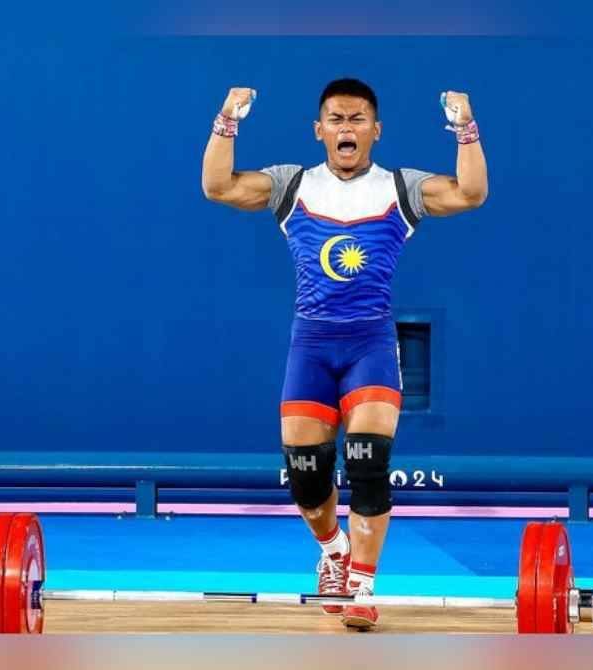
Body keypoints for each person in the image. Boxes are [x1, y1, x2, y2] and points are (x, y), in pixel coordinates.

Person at [201, 78, 488, 630]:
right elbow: (218, 186)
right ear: (319, 130)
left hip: (370, 344)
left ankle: (362, 585)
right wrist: (227, 118)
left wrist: (465, 128)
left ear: (376, 130)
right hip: (311, 346)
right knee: (307, 478)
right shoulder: (292, 185)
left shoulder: (401, 188)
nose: (346, 128)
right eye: (336, 118)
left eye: (357, 119)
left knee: (367, 462)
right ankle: (333, 551)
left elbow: (470, 193)